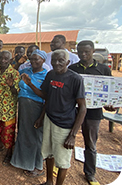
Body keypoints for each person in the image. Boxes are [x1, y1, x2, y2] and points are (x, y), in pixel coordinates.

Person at [22, 49, 86, 185]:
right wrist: (30, 84)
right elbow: (46, 96)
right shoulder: (51, 75)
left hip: (64, 124)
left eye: (61, 60)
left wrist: (73, 135)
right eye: (54, 60)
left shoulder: (75, 79)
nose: (57, 63)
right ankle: (49, 181)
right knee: (48, 153)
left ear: (68, 62)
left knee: (62, 161)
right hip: (49, 120)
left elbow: (82, 108)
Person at [69, 40, 112, 185]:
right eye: (80, 51)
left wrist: (110, 105)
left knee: (91, 143)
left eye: (86, 51)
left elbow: (109, 91)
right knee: (66, 138)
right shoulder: (72, 68)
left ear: (93, 51)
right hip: (72, 110)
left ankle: (90, 173)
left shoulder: (103, 69)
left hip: (93, 113)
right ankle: (61, 165)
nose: (83, 54)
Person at [10, 49, 48, 177]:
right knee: (24, 133)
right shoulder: (25, 71)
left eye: (36, 59)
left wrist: (30, 84)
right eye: (31, 59)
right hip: (23, 107)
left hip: (36, 108)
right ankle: (23, 162)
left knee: (36, 137)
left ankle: (38, 166)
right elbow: (13, 73)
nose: (33, 61)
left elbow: (44, 95)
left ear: (43, 60)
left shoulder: (46, 75)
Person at [0, 51, 19, 166]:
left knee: (8, 131)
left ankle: (9, 152)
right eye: (1, 58)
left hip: (8, 109)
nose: (3, 60)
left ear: (10, 60)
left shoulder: (14, 73)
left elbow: (16, 93)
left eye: (6, 59)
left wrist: (11, 86)